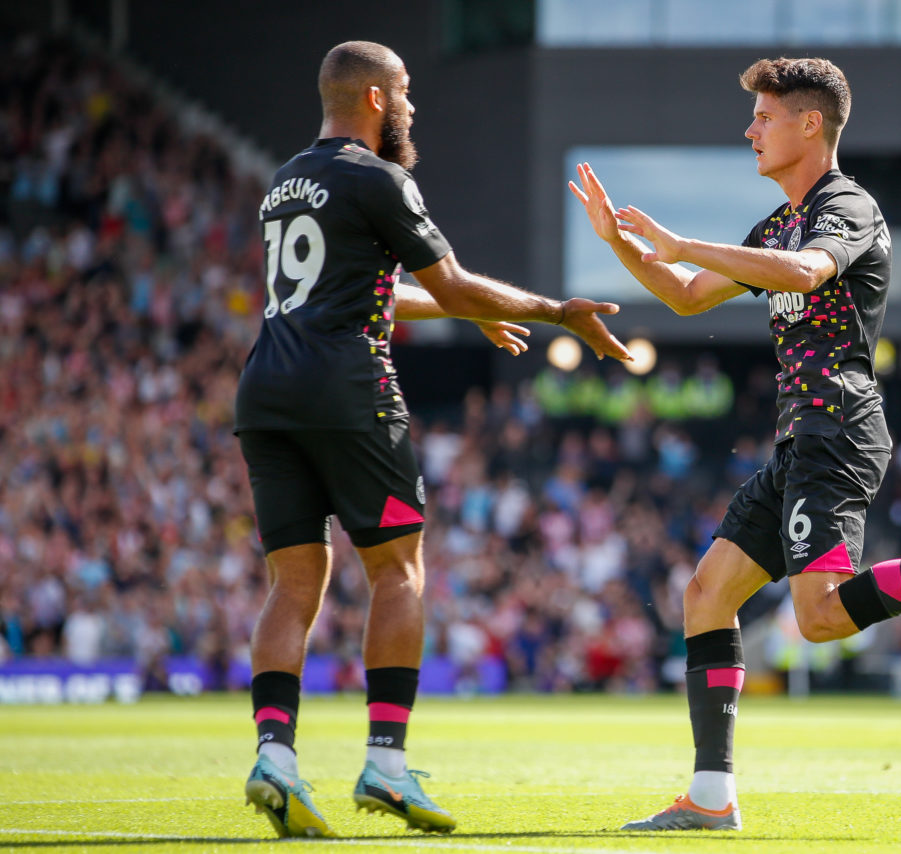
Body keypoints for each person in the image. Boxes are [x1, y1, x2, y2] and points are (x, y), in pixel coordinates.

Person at [569, 56, 901, 832]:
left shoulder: (847, 206)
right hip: (800, 438)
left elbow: (809, 274)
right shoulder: (776, 223)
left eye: (764, 117)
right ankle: (711, 797)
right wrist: (623, 244)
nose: (749, 130)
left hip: (838, 429)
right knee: (706, 594)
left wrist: (684, 243)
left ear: (810, 124)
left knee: (816, 620)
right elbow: (683, 296)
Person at [236, 40, 631, 839]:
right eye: (406, 92)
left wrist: (459, 306)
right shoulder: (381, 179)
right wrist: (556, 311)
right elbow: (443, 282)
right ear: (376, 98)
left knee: (293, 583)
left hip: (266, 388)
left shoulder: (284, 183)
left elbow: (359, 290)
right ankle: (386, 764)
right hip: (346, 386)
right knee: (399, 571)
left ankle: (274, 757)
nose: (413, 106)